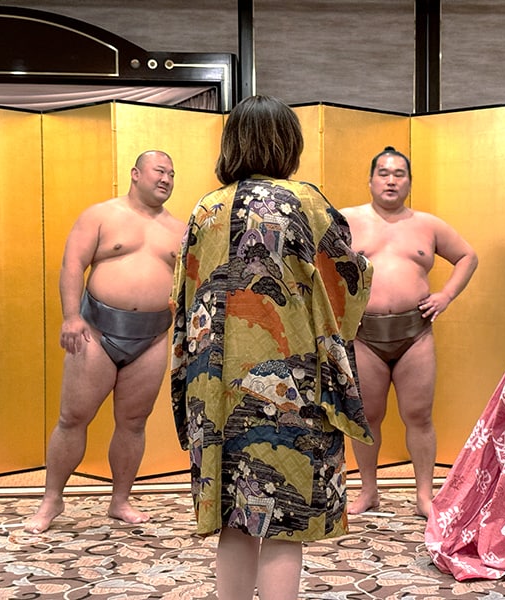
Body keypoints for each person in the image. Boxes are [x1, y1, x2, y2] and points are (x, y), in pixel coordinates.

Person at [170, 95, 374, 600]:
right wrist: (364, 268)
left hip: (215, 389)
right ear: (291, 143)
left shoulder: (206, 208)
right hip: (293, 385)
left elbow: (183, 296)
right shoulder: (304, 201)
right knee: (286, 518)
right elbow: (345, 283)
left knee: (235, 517)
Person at [24, 150, 185, 534]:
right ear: (135, 173)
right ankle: (52, 499)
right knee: (73, 417)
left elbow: (189, 283)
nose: (166, 179)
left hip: (152, 335)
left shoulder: (181, 229)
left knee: (133, 422)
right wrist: (71, 316)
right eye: (159, 171)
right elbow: (72, 263)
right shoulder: (101, 215)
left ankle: (120, 501)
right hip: (95, 329)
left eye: (172, 174)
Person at [342, 146, 478, 518]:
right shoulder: (345, 220)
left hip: (414, 333)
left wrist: (446, 295)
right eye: (383, 173)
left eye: (399, 173)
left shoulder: (428, 224)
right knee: (367, 414)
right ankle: (368, 490)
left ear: (409, 182)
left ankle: (424, 496)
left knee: (418, 414)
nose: (391, 179)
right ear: (370, 180)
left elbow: (468, 256)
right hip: (363, 334)